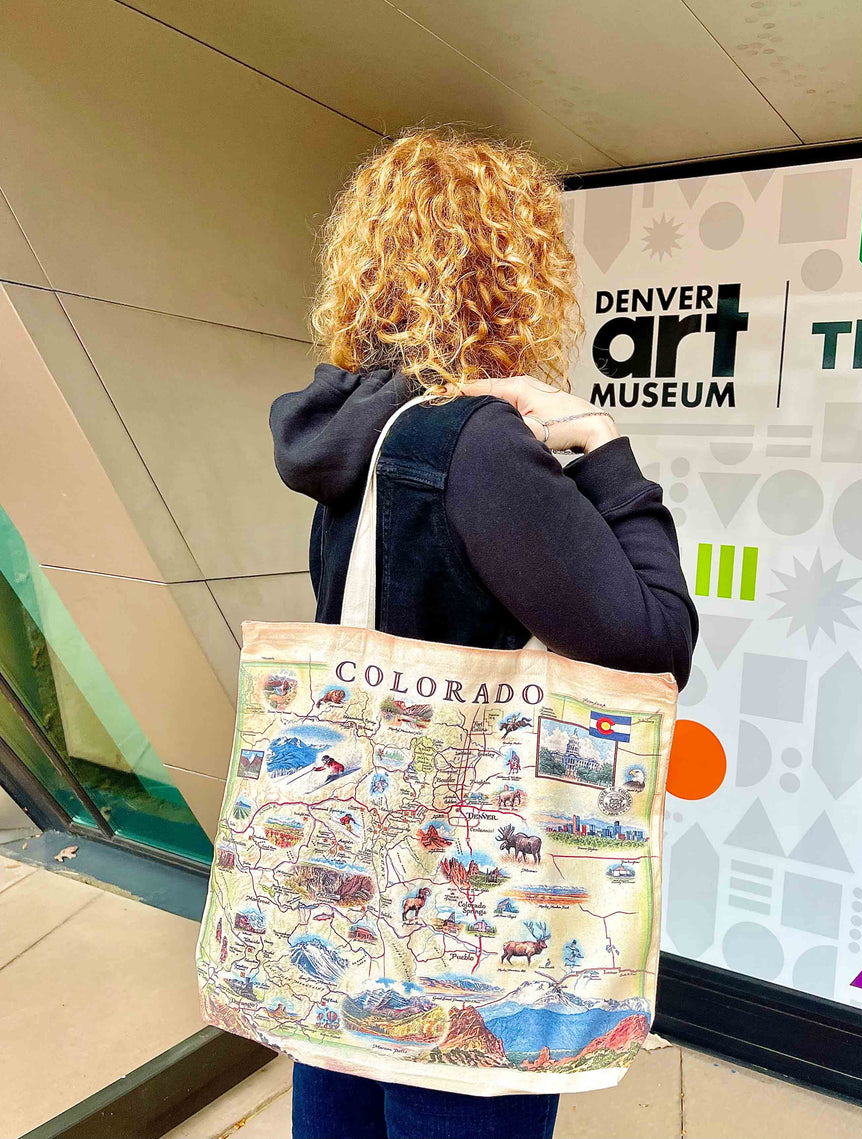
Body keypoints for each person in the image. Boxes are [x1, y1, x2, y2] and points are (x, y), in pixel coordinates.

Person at [269, 126, 698, 1139]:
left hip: (349, 892)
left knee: (342, 1102)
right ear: (509, 274)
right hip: (469, 918)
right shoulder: (477, 443)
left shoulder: (353, 429)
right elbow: (653, 641)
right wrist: (607, 457)